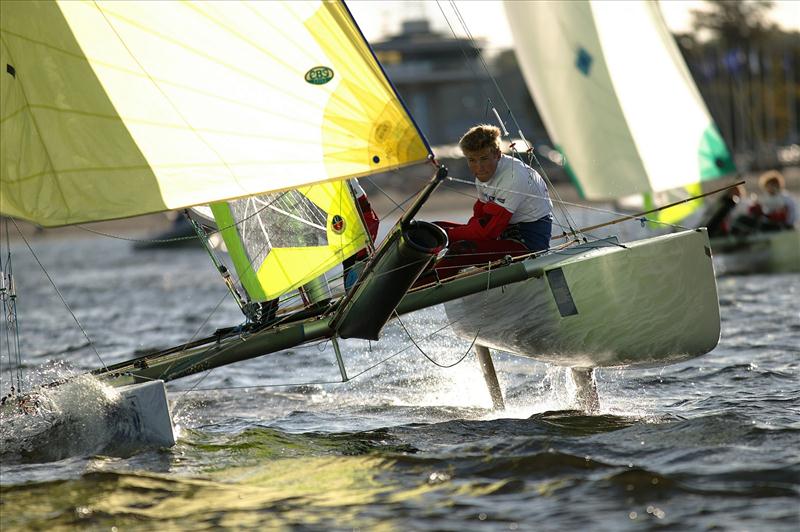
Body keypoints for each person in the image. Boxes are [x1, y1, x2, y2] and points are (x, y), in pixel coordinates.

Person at [423, 124, 554, 283]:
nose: (479, 167)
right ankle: (408, 281)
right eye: (472, 160)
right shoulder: (484, 173)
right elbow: (479, 217)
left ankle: (419, 291)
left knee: (460, 249)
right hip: (500, 235)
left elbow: (488, 232)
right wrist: (443, 234)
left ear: (497, 154)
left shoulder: (513, 176)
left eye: (484, 158)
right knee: (431, 230)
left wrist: (449, 236)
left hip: (526, 244)